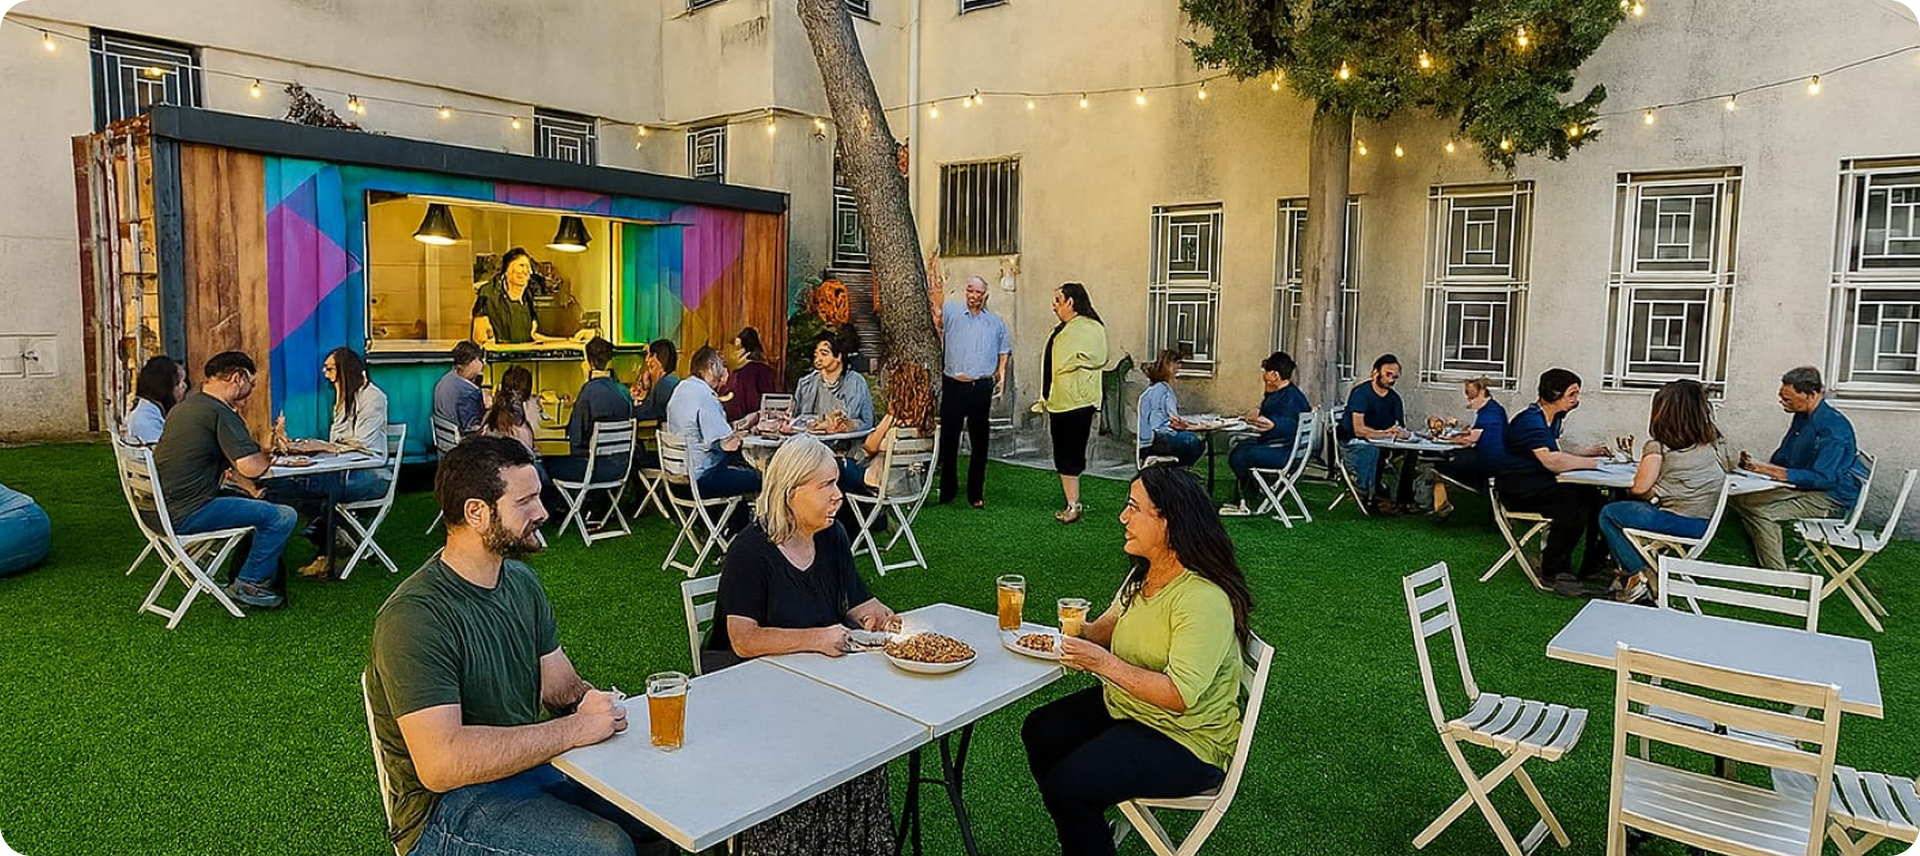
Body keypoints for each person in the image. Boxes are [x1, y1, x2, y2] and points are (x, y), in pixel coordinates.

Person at [365, 436, 669, 856]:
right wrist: (575, 729)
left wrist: (592, 702)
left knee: (656, 810)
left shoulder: (521, 582)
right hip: (442, 810)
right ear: (476, 512)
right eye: (525, 502)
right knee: (606, 848)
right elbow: (441, 764)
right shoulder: (414, 616)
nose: (542, 512)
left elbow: (559, 686)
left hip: (527, 769)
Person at [1022, 465, 1255, 856]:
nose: (1122, 517)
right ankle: (1082, 833)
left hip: (1187, 738)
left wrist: (1102, 663)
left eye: (1133, 507)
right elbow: (1102, 631)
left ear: (1168, 522)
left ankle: (1082, 829)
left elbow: (1179, 695)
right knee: (1041, 729)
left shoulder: (1202, 599)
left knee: (1071, 784)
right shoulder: (1143, 577)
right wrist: (1074, 630)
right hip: (1132, 707)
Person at [703, 435, 899, 854]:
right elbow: (743, 639)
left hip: (816, 685)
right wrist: (819, 637)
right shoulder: (750, 550)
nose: (838, 495)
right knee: (819, 747)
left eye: (836, 483)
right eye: (826, 485)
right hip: (752, 694)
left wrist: (880, 616)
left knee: (869, 739)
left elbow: (859, 603)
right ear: (791, 492)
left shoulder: (832, 537)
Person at [152, 351, 297, 609]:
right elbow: (250, 467)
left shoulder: (184, 408)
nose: (252, 389)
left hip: (157, 512)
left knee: (255, 502)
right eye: (251, 382)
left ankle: (252, 577)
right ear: (237, 378)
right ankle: (248, 583)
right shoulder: (220, 412)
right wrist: (269, 451)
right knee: (283, 516)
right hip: (189, 512)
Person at [1598, 380, 1730, 603]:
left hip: (1679, 521)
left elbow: (1640, 487)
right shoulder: (1712, 443)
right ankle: (1632, 571)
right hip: (1706, 524)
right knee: (1633, 510)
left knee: (1609, 513)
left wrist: (1654, 494)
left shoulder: (1658, 446)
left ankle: (1640, 575)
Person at [267, 347, 393, 578]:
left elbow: (363, 441)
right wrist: (307, 447)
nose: (325, 374)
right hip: (346, 470)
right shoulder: (344, 397)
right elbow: (339, 441)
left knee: (312, 490)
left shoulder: (373, 397)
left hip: (370, 475)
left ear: (345, 369)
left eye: (330, 369)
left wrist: (325, 447)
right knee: (302, 487)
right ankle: (326, 545)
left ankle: (323, 544)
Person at [1496, 368, 1612, 596]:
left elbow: (1555, 447)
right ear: (1554, 394)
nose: (1576, 399)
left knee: (1595, 498)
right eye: (1572, 394)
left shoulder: (1553, 418)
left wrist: (1588, 452)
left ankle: (1593, 564)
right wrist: (1596, 463)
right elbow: (1552, 461)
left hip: (1539, 484)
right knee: (1571, 502)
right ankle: (1553, 570)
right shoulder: (1530, 421)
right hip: (1519, 490)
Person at [1731, 365, 1860, 570]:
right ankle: (1765, 552)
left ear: (1811, 394)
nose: (1782, 402)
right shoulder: (1802, 416)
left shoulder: (1833, 428)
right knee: (1740, 499)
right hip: (1803, 485)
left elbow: (1824, 478)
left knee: (1762, 512)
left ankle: (1777, 574)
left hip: (1830, 496)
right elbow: (1785, 454)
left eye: (1788, 399)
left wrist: (1771, 471)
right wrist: (1755, 468)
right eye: (1782, 397)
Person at [937, 275, 1011, 508]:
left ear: (985, 295)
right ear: (965, 291)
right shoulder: (951, 312)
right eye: (970, 290)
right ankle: (947, 491)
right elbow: (935, 316)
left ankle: (975, 493)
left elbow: (1004, 350)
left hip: (981, 387)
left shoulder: (995, 322)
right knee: (949, 439)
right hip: (953, 385)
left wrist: (1002, 377)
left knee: (980, 441)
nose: (974, 296)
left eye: (978, 292)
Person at [837, 362, 938, 532]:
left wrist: (888, 419)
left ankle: (867, 525)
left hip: (883, 482)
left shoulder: (894, 419)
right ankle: (873, 522)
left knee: (837, 468)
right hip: (911, 485)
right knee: (848, 476)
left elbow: (869, 446)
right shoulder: (926, 424)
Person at [1040, 282, 1110, 524]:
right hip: (1059, 401)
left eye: (1058, 300)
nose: (1054, 306)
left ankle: (1073, 505)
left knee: (1070, 453)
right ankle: (1071, 501)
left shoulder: (1090, 328)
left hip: (1077, 403)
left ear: (1071, 302)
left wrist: (1073, 361)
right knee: (1062, 453)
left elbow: (1099, 356)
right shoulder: (1065, 328)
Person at [1218, 351, 1312, 517]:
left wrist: (1272, 424)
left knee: (1239, 455)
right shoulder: (1286, 393)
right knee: (1239, 445)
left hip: (1283, 452)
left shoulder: (1290, 398)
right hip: (1288, 449)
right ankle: (1250, 492)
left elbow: (1287, 424)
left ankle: (1250, 494)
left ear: (1275, 375)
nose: (1263, 375)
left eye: (1266, 372)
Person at [666, 345, 762, 502]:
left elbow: (710, 432)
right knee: (758, 478)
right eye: (721, 365)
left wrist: (743, 424)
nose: (723, 370)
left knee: (740, 470)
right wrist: (752, 431)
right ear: (711, 367)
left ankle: (731, 513)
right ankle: (750, 515)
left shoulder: (681, 389)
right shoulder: (705, 397)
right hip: (702, 479)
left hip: (678, 477)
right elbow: (727, 445)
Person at [545, 337, 634, 487]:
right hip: (620, 468)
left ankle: (568, 501)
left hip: (593, 469)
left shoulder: (588, 393)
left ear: (589, 362)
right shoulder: (624, 392)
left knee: (548, 463)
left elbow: (576, 438)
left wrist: (586, 381)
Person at [1428, 377, 1510, 517]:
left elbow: (1469, 440)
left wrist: (1444, 439)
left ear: (1482, 392)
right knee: (1452, 457)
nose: (1469, 400)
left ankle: (1440, 505)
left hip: (1488, 460)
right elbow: (1475, 434)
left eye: (1471, 396)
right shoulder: (1495, 409)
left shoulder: (1488, 412)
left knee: (1439, 464)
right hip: (1494, 457)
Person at [471, 248, 589, 345]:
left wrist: (569, 341)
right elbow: (480, 338)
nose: (525, 271)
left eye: (528, 267)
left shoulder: (529, 298)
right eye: (521, 265)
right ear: (507, 271)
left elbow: (534, 336)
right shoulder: (488, 294)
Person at [1338, 354, 1410, 511]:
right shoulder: (1361, 394)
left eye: (1395, 377)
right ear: (1375, 373)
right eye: (1388, 374)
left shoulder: (1394, 399)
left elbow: (1400, 427)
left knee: (1408, 454)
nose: (1391, 380)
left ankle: (1402, 499)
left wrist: (1401, 433)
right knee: (1372, 451)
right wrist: (1385, 433)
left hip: (1382, 443)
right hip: (1354, 443)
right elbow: (1359, 430)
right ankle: (1369, 494)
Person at [790, 333, 874, 431]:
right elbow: (795, 420)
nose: (818, 359)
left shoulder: (856, 382)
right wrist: (817, 423)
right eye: (816, 354)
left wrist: (848, 425)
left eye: (824, 354)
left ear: (838, 357)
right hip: (809, 438)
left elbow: (867, 422)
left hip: (846, 439)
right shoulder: (806, 383)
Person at [1135, 350, 1203, 467]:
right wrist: (1175, 424)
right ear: (1167, 365)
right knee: (1191, 442)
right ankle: (1178, 468)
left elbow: (1170, 416)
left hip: (1160, 436)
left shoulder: (1163, 388)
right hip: (1154, 440)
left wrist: (1181, 423)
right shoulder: (1159, 389)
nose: (1179, 367)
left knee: (1199, 442)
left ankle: (1179, 469)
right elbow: (1157, 423)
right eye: (1176, 363)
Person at [126, 354, 187, 444]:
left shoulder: (154, 411)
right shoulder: (145, 419)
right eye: (179, 383)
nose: (184, 386)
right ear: (164, 386)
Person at [722, 327, 779, 423]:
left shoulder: (736, 371)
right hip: (755, 419)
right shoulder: (765, 370)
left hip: (734, 418)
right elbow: (769, 401)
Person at [432, 341, 487, 434]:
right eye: (480, 360)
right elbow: (472, 430)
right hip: (462, 440)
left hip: (445, 438)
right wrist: (490, 410)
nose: (483, 364)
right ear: (473, 362)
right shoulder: (470, 392)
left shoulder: (444, 380)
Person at [631, 339, 680, 424]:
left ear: (656, 358)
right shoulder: (674, 381)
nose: (646, 360)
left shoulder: (664, 385)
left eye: (650, 356)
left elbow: (645, 413)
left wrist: (633, 402)